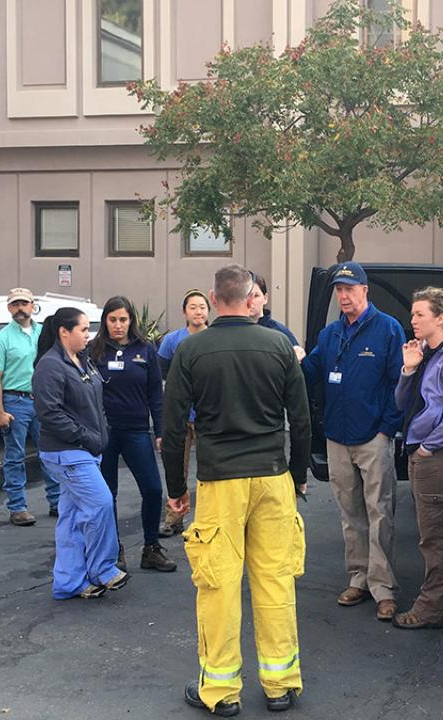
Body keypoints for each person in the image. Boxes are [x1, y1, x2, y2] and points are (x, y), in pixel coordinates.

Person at [162, 264, 311, 715]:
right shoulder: (279, 346)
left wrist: (176, 490)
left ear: (212, 297)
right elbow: (301, 422)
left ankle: (222, 691)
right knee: (274, 580)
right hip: (271, 476)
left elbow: (171, 429)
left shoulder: (192, 351)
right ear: (251, 299)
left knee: (219, 586)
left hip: (220, 481)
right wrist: (298, 474)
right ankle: (280, 684)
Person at [301, 261, 406, 622]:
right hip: (337, 436)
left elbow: (400, 385)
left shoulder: (388, 330)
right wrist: (290, 356)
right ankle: (358, 578)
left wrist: (386, 429)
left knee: (380, 512)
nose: (343, 296)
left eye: (350, 289)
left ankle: (383, 588)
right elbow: (310, 372)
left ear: (365, 290)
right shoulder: (330, 334)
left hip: (372, 437)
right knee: (350, 513)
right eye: (339, 290)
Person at [391, 287, 443, 632]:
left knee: (432, 539)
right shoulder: (426, 354)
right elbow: (401, 403)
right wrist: (408, 370)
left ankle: (428, 610)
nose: (412, 320)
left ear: (441, 318)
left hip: (438, 457)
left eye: (419, 315)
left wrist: (429, 445)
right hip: (421, 451)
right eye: (412, 314)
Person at [33, 306, 129, 599]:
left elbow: (94, 403)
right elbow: (49, 413)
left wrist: (100, 434)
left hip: (84, 450)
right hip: (67, 452)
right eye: (84, 330)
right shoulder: (50, 366)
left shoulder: (82, 361)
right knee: (100, 502)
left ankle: (69, 582)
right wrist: (86, 437)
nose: (89, 335)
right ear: (65, 332)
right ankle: (103, 568)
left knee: (72, 518)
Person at [88, 296, 175, 573]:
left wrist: (161, 431)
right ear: (105, 321)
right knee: (107, 494)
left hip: (137, 430)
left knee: (152, 489)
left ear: (131, 321)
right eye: (112, 319)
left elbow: (155, 395)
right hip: (105, 433)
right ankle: (114, 550)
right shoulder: (94, 350)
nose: (118, 325)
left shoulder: (145, 349)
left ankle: (151, 548)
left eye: (123, 319)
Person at [0, 287, 59, 526]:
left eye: (24, 304)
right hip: (15, 401)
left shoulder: (44, 334)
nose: (20, 308)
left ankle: (57, 502)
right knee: (15, 457)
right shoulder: (1, 339)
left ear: (32, 305)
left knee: (50, 453)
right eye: (15, 304)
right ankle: (17, 507)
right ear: (9, 308)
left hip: (43, 400)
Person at [156, 289, 210, 538]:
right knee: (176, 466)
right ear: (184, 312)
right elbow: (163, 374)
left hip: (208, 417)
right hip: (180, 417)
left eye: (202, 307)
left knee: (209, 469)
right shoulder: (172, 341)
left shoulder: (214, 338)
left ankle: (207, 519)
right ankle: (174, 517)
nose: (198, 311)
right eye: (193, 307)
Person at [247, 273, 305, 360]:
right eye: (245, 296)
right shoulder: (232, 330)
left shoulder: (279, 332)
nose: (250, 301)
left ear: (265, 298)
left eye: (256, 296)